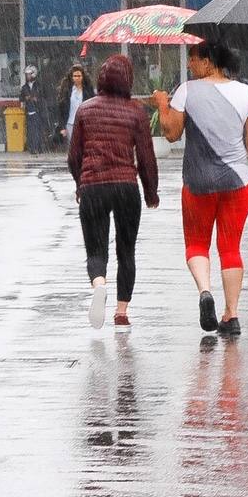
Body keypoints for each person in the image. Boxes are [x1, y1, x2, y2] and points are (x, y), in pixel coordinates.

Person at [153, 41, 248, 336]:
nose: (190, 64)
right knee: (231, 248)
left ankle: (205, 292)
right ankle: (232, 314)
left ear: (209, 61)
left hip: (198, 182)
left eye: (194, 58)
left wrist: (162, 104)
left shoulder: (187, 90)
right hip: (238, 182)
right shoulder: (247, 93)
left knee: (197, 244)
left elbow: (171, 134)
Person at [68, 55, 159, 329]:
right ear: (128, 81)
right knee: (126, 250)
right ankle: (121, 311)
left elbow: (74, 156)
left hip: (93, 186)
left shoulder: (85, 109)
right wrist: (150, 192)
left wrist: (79, 183)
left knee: (96, 250)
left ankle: (99, 285)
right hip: (125, 187)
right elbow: (146, 157)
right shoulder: (136, 112)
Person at [57, 65, 92, 146]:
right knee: (73, 147)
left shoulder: (87, 90)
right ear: (71, 77)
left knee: (84, 146)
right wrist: (62, 127)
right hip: (70, 123)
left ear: (83, 76)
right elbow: (61, 110)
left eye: (79, 76)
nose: (77, 78)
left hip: (84, 123)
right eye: (75, 76)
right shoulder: (67, 90)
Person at [18, 65, 43, 154]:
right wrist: (26, 98)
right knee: (30, 131)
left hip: (38, 111)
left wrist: (37, 99)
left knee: (37, 130)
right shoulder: (24, 87)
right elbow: (20, 98)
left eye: (29, 74)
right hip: (29, 111)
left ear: (34, 74)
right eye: (26, 75)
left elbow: (44, 97)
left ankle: (37, 148)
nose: (27, 76)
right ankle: (32, 148)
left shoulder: (39, 86)